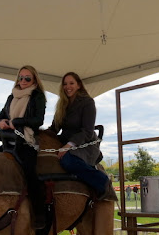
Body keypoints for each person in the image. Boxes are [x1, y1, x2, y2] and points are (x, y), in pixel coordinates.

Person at [48, 72, 114, 200]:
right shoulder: (62, 104)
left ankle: (102, 182)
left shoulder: (88, 102)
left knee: (67, 161)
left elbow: (87, 131)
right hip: (65, 142)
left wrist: (69, 145)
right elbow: (54, 128)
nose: (68, 87)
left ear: (78, 85)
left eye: (71, 83)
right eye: (65, 84)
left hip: (85, 144)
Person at [0, 65, 47, 228]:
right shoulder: (11, 96)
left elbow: (38, 120)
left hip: (26, 141)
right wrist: (0, 122)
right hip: (8, 141)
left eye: (27, 78)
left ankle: (40, 214)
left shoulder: (37, 96)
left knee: (30, 173)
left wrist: (16, 122)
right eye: (21, 77)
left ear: (34, 80)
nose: (23, 81)